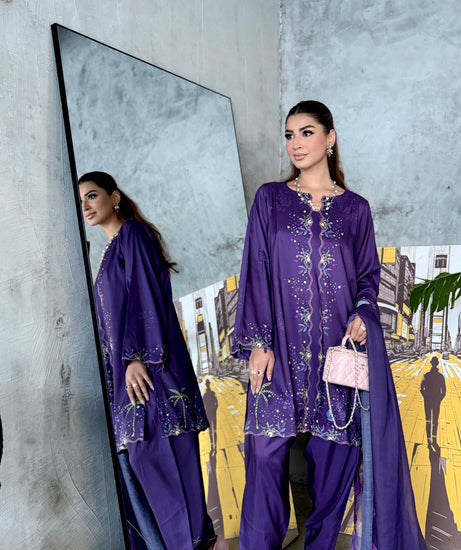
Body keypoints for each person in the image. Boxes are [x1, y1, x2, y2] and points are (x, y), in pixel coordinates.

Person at [231, 100, 427, 550]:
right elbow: (256, 269)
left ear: (330, 138)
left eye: (306, 132)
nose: (295, 144)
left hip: (336, 358)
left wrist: (363, 313)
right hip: (279, 354)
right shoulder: (270, 199)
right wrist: (258, 341)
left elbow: (368, 276)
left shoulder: (356, 209)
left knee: (334, 463)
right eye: (289, 135)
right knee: (263, 456)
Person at [78, 171, 228, 550]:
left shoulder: (132, 234)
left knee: (170, 473)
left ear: (114, 197)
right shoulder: (109, 252)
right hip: (131, 383)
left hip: (151, 375)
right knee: (147, 475)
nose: (86, 206)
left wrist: (135, 356)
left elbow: (143, 292)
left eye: (92, 195)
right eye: (80, 201)